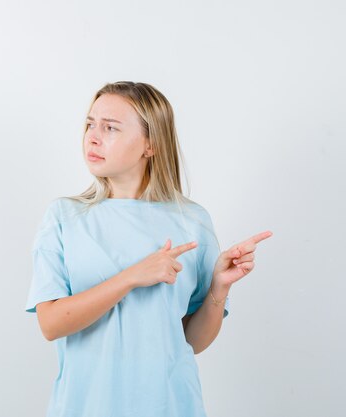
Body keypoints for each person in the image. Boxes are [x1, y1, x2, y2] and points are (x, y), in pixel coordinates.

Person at [24, 81, 272, 417]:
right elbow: (51, 324)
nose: (93, 137)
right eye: (89, 124)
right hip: (86, 406)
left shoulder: (192, 221)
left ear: (150, 144)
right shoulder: (64, 217)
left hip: (169, 405)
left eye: (110, 128)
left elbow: (191, 342)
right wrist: (131, 277)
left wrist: (219, 287)